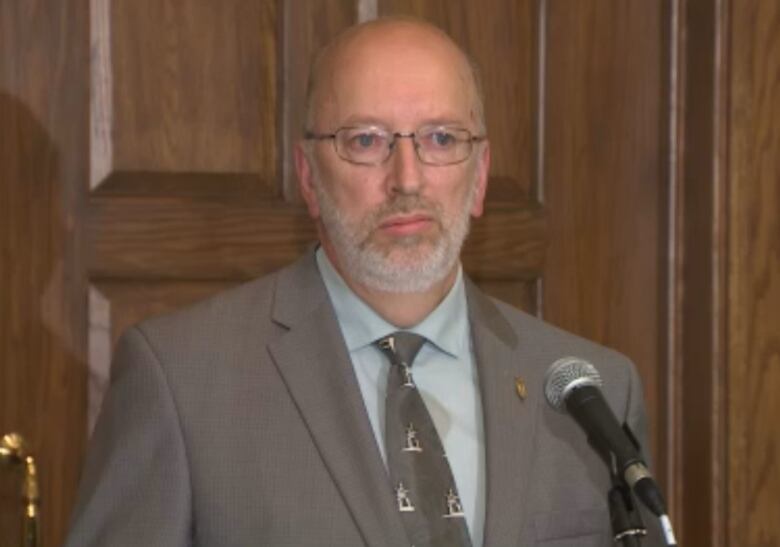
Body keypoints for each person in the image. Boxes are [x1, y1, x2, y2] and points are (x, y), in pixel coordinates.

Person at [65, 17, 663, 547]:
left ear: (479, 177)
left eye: (441, 139)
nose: (407, 178)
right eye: (365, 141)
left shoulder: (593, 392)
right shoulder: (182, 382)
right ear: (308, 176)